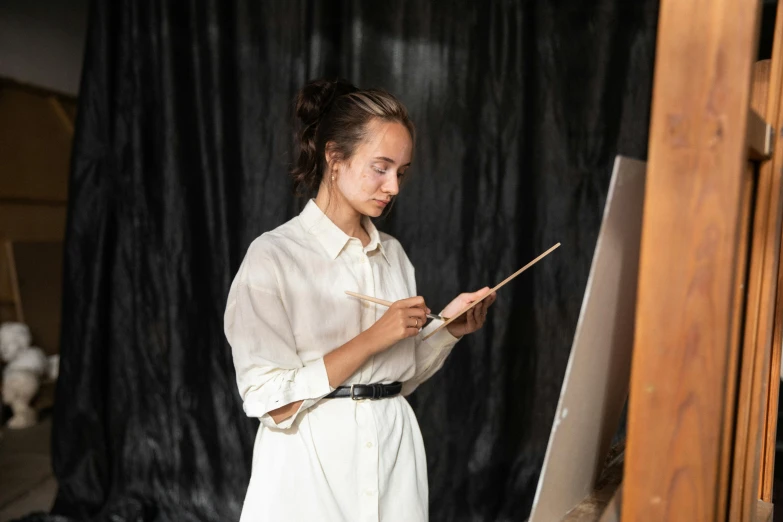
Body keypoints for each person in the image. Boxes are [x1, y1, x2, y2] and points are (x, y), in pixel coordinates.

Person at [224, 77, 496, 522]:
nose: (393, 187)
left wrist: (446, 329)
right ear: (334, 157)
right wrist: (373, 337)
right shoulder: (273, 257)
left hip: (394, 457)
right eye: (380, 167)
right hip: (310, 469)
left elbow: (397, 380)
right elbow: (267, 399)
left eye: (402, 172)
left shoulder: (394, 256)